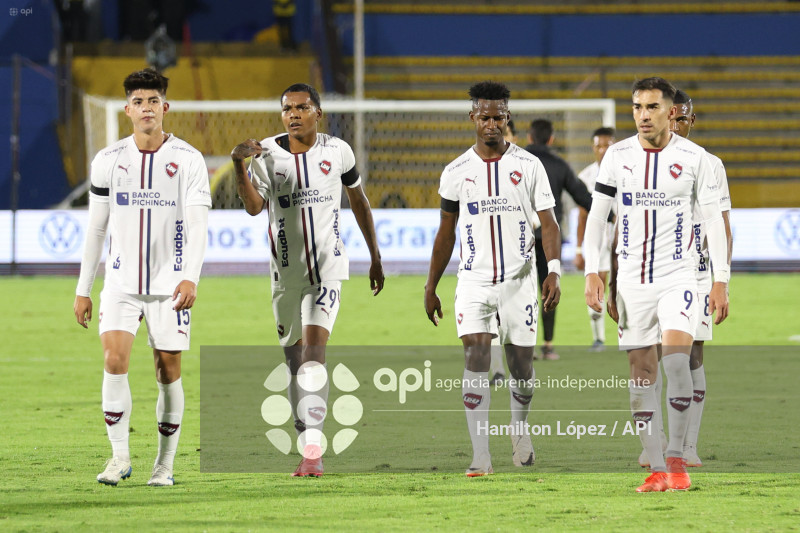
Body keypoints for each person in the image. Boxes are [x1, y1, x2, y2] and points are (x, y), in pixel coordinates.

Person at [584, 77, 730, 492]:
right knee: (640, 373)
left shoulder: (696, 158)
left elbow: (715, 224)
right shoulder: (617, 156)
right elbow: (598, 217)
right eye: (636, 107)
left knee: (677, 362)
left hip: (680, 276)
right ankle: (656, 467)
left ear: (671, 111)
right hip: (631, 281)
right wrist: (595, 270)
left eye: (651, 107)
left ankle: (678, 460)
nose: (643, 115)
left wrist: (721, 280)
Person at [231, 83, 384, 477]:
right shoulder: (265, 155)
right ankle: (305, 429)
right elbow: (253, 208)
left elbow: (358, 201)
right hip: (285, 275)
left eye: (301, 107)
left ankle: (312, 451)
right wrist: (238, 166)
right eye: (287, 109)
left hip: (328, 270)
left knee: (314, 357)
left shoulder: (338, 151)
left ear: (318, 112)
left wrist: (375, 257)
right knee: (294, 361)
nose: (293, 114)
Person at [74, 68, 211, 487]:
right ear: (127, 110)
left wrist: (190, 278)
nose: (146, 108)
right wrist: (84, 289)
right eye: (138, 101)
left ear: (164, 107)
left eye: (153, 100)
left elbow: (199, 223)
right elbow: (96, 228)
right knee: (114, 361)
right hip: (119, 284)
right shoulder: (108, 161)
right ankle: (118, 458)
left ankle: (164, 465)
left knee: (167, 371)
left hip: (170, 288)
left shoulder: (188, 159)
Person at [425, 81, 561, 476]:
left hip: (520, 282)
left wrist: (552, 270)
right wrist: (431, 285)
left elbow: (549, 224)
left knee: (521, 368)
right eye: (484, 116)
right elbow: (445, 232)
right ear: (473, 117)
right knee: (476, 357)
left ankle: (519, 430)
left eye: (498, 116)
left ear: (507, 117)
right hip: (473, 282)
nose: (490, 123)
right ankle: (480, 455)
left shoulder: (528, 165)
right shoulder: (455, 172)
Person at [624, 89, 733, 470]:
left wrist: (722, 278)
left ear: (690, 119)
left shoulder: (708, 163)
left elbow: (722, 224)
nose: (677, 124)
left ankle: (687, 445)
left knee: (692, 356)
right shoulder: (635, 159)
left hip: (696, 272)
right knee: (649, 353)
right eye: (673, 118)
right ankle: (654, 442)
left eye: (683, 119)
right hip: (649, 271)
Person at [524, 119, 593, 360]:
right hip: (549, 238)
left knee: (522, 290)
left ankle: (525, 345)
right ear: (551, 139)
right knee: (548, 288)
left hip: (519, 239)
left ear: (530, 137)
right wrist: (611, 214)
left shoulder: (517, 162)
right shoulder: (559, 165)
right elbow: (582, 196)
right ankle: (548, 345)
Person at [575, 127, 616, 351]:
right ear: (593, 148)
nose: (604, 150)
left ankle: (629, 333)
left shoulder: (628, 171)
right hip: (599, 239)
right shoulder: (586, 177)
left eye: (608, 145)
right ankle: (598, 338)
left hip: (624, 239)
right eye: (599, 146)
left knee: (622, 286)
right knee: (597, 283)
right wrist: (580, 249)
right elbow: (583, 217)